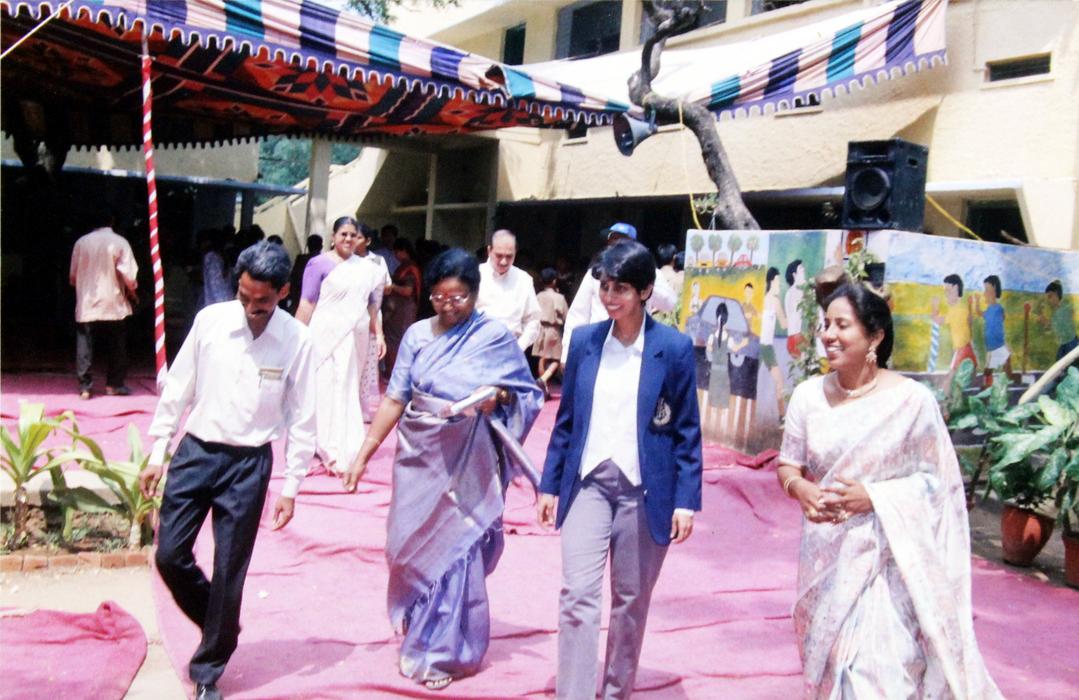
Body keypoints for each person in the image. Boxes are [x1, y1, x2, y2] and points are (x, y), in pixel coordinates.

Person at [776, 281, 1002, 699]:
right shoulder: (808, 397)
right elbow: (788, 463)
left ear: (875, 337)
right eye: (826, 324)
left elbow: (939, 484)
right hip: (828, 558)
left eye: (842, 325)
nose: (828, 334)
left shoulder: (912, 402)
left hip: (892, 564)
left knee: (878, 675)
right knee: (835, 671)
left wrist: (875, 498)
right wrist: (800, 487)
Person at [343, 248, 543, 691]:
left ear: (475, 293)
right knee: (404, 546)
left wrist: (497, 398)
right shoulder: (417, 335)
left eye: (458, 299)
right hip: (419, 455)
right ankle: (419, 629)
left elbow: (525, 393)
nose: (448, 307)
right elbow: (396, 397)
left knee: (456, 549)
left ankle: (443, 652)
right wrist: (363, 454)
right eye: (438, 298)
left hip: (468, 455)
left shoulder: (493, 336)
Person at [140, 241, 316, 700]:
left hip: (249, 466)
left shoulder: (297, 341)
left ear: (283, 292)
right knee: (169, 554)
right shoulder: (211, 323)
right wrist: (158, 450)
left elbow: (303, 415)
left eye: (263, 301)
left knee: (229, 569)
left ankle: (207, 671)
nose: (252, 307)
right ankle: (220, 623)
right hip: (196, 453)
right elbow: (178, 387)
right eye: (245, 296)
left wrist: (292, 485)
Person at [538, 240, 703, 700]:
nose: (610, 297)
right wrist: (549, 484)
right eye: (605, 286)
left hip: (644, 490)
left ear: (646, 291)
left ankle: (616, 691)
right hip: (588, 483)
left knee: (631, 600)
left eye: (622, 288)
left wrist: (686, 500)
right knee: (578, 595)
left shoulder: (672, 349)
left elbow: (687, 429)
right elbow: (566, 420)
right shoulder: (585, 342)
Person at [294, 216, 383, 472]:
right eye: (343, 234)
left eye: (353, 235)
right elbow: (307, 302)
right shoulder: (319, 264)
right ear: (333, 237)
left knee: (346, 388)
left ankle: (346, 444)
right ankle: (325, 445)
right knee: (324, 387)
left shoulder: (367, 268)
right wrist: (296, 337)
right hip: (324, 335)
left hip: (355, 337)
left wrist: (379, 334)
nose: (348, 239)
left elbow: (371, 305)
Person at [562, 223, 678, 363]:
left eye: (621, 240)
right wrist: (567, 353)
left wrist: (642, 280)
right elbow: (578, 313)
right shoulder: (596, 272)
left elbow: (670, 303)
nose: (616, 244)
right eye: (613, 239)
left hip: (637, 348)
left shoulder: (651, 272)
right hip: (598, 346)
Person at [69, 204, 139, 400]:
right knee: (116, 343)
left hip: (87, 300)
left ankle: (85, 387)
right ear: (112, 221)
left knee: (85, 342)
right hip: (113, 300)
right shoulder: (120, 242)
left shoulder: (81, 243)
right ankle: (114, 384)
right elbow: (129, 275)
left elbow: (73, 275)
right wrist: (133, 291)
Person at [476, 229, 542, 352]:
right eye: (499, 255)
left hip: (511, 351)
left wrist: (519, 348)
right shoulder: (474, 275)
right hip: (476, 351)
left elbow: (533, 320)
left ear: (515, 253)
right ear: (489, 251)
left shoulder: (524, 280)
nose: (504, 261)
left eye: (509, 256)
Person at [355, 223, 392, 419]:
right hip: (350, 319)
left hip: (372, 316)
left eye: (358, 237)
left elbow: (387, 286)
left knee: (368, 363)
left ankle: (363, 407)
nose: (353, 241)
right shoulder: (344, 261)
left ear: (368, 241)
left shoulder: (377, 261)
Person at [382, 237, 422, 376]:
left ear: (404, 251)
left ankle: (394, 373)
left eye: (397, 252)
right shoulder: (403, 266)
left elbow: (408, 291)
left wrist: (392, 286)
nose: (395, 255)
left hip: (404, 310)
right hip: (397, 310)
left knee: (397, 341)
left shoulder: (410, 268)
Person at [931, 273, 976, 380]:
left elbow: (937, 320)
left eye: (948, 291)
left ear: (956, 288)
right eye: (945, 291)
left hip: (961, 349)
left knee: (951, 378)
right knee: (965, 377)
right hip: (967, 347)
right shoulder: (962, 309)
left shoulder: (956, 310)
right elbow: (970, 322)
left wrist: (935, 307)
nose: (946, 295)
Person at [533, 267, 569, 393]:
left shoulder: (538, 296)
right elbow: (566, 316)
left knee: (542, 358)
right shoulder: (559, 297)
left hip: (540, 329)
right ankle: (543, 379)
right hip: (553, 330)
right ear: (554, 281)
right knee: (557, 359)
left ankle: (545, 388)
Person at [762, 267, 789, 419]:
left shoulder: (772, 300)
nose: (779, 283)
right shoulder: (770, 300)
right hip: (762, 346)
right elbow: (784, 324)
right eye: (778, 280)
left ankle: (781, 416)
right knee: (779, 381)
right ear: (771, 281)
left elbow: (783, 324)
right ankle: (781, 416)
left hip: (766, 347)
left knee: (779, 381)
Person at [977, 274, 1013, 384]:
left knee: (1003, 365)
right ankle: (990, 384)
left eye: (987, 290)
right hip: (992, 346)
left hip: (998, 345)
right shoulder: (990, 309)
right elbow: (980, 313)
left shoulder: (998, 309)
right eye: (985, 290)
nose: (985, 293)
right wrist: (976, 302)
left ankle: (1009, 383)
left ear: (995, 291)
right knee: (989, 370)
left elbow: (1002, 318)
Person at [1042, 279, 1079, 363]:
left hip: (1071, 344)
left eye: (1050, 296)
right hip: (1064, 344)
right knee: (1060, 366)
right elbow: (1056, 328)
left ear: (1056, 294)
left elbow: (1061, 326)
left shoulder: (1064, 309)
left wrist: (1048, 323)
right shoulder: (1056, 313)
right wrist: (1047, 323)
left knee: (1069, 365)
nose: (1048, 300)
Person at [287, 234, 322, 313]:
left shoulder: (301, 259)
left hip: (299, 297)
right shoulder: (324, 261)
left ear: (308, 246)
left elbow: (294, 277)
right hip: (316, 300)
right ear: (321, 247)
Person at [198, 229, 231, 309]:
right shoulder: (219, 257)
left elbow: (216, 285)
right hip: (222, 301)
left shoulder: (212, 258)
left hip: (217, 303)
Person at [652, 243, 681, 327]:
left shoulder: (652, 275)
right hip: (670, 323)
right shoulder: (678, 278)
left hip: (652, 320)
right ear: (674, 257)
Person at [784, 260, 806, 358]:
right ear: (794, 275)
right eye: (801, 269)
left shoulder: (792, 291)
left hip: (795, 338)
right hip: (795, 339)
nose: (804, 270)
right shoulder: (795, 292)